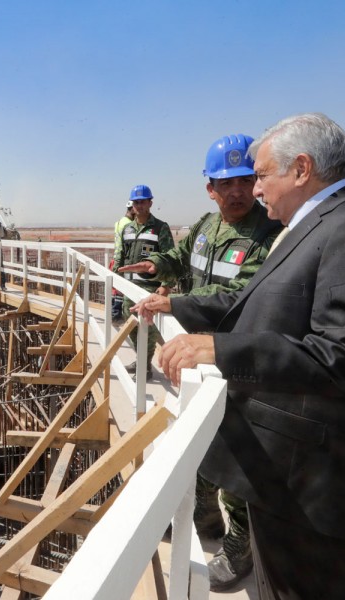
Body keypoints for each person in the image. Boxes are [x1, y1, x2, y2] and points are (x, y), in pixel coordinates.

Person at [133, 113, 345, 599]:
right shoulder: (314, 227)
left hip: (310, 483)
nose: (256, 191)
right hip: (283, 475)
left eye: (261, 176)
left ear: (301, 169)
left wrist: (221, 347)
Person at [118, 134, 283, 589]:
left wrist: (176, 302)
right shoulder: (206, 227)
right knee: (202, 445)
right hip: (195, 359)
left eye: (245, 180)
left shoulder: (270, 234)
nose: (235, 191)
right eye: (225, 183)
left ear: (257, 182)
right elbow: (180, 258)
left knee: (240, 461)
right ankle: (204, 517)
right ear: (210, 188)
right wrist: (156, 266)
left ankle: (239, 549)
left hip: (237, 363)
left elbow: (240, 294)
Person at [113, 185, 174, 378]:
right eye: (136, 202)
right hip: (129, 287)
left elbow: (170, 259)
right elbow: (121, 254)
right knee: (130, 325)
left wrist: (165, 286)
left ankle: (146, 367)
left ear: (150, 203)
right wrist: (116, 278)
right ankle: (141, 361)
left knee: (148, 328)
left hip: (149, 288)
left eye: (143, 201)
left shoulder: (160, 228)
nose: (139, 205)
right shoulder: (128, 229)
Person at [111, 200, 136, 321]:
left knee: (117, 288)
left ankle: (115, 312)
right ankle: (117, 314)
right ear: (131, 209)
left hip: (116, 257)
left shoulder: (119, 222)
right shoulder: (128, 224)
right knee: (121, 289)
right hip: (123, 259)